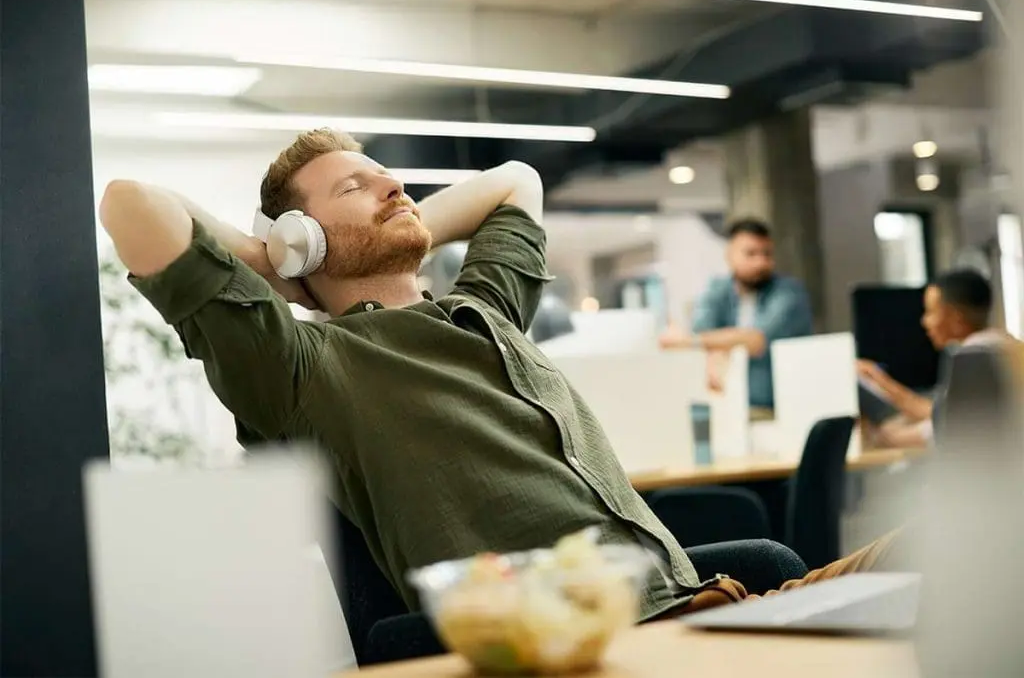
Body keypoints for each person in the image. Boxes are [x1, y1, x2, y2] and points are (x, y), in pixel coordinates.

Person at [100, 128, 903, 623]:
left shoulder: (482, 308)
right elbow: (132, 203)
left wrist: (392, 218)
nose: (395, 185)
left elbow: (517, 180)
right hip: (609, 643)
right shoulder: (303, 366)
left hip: (716, 606)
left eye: (391, 177)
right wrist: (282, 259)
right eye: (357, 186)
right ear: (301, 232)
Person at [658, 218, 813, 411]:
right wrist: (712, 348)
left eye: (767, 254)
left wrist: (689, 341)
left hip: (780, 406)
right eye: (751, 254)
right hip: (728, 406)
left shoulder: (789, 293)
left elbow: (756, 340)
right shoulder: (718, 290)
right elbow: (703, 331)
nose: (761, 262)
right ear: (729, 255)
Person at [858, 268, 1007, 448]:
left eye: (930, 312)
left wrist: (875, 377)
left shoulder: (974, 358)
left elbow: (943, 424)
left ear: (956, 320)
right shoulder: (1000, 346)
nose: (924, 321)